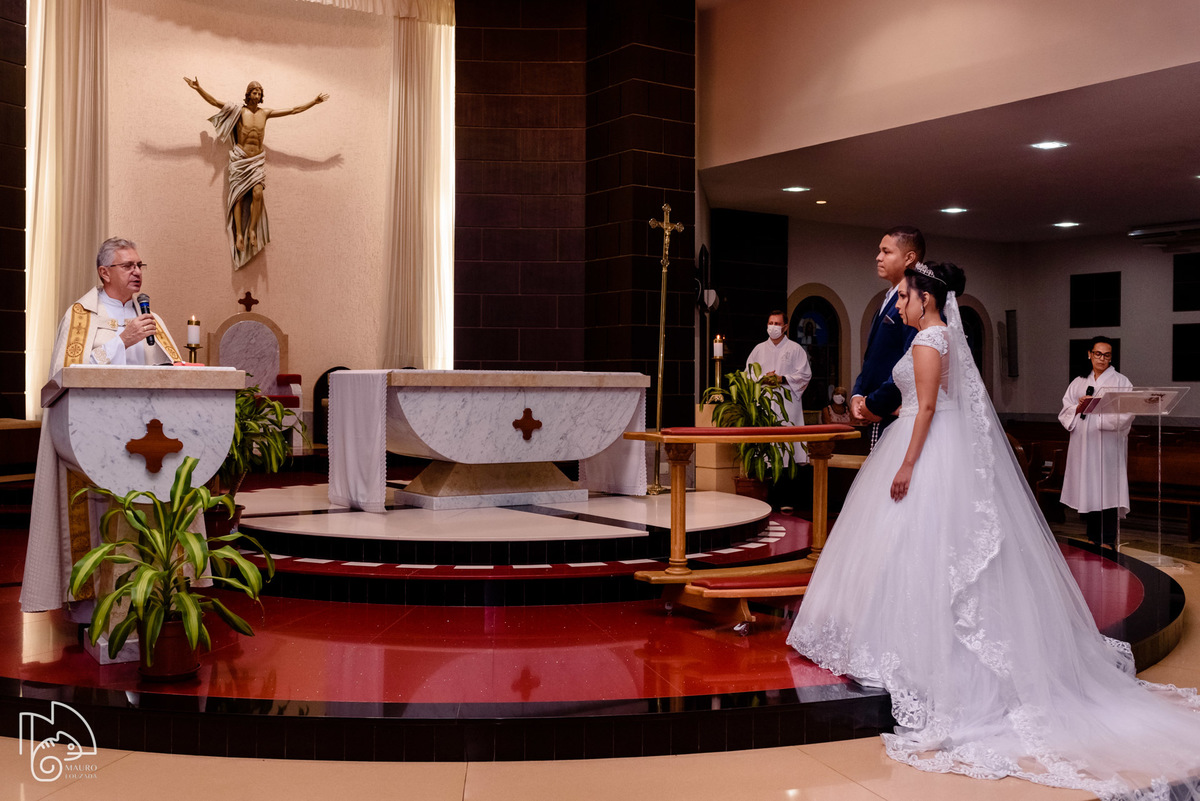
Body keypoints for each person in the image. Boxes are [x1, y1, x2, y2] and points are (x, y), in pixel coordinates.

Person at [788, 261, 1200, 799]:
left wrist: (908, 464)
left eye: (907, 297)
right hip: (940, 448)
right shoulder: (940, 338)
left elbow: (929, 407)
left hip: (927, 450)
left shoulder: (927, 342)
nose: (902, 305)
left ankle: (933, 663)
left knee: (926, 552)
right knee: (928, 553)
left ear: (927, 300)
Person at [21, 238, 183, 615]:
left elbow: (173, 374)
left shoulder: (151, 319)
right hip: (95, 439)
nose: (138, 272)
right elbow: (66, 376)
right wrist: (121, 342)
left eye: (140, 265)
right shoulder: (81, 317)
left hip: (148, 441)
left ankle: (158, 598)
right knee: (98, 518)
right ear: (104, 272)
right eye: (128, 266)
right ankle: (94, 608)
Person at [184, 77, 329, 269]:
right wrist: (198, 88)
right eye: (254, 91)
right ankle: (239, 235)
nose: (257, 94)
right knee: (238, 197)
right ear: (248, 94)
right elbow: (214, 102)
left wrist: (314, 102)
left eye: (259, 92)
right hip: (240, 158)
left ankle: (252, 229)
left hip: (256, 160)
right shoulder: (239, 111)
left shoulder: (266, 113)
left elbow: (293, 110)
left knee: (258, 193)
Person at [850, 226, 922, 448]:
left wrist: (875, 404)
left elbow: (910, 360)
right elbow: (873, 357)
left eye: (886, 251)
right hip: (876, 408)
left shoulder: (915, 301)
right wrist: (857, 394)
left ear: (909, 257)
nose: (878, 257)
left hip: (895, 412)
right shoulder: (888, 298)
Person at [1059, 336, 1133, 550]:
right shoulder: (1079, 382)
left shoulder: (1121, 382)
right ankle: (1092, 537)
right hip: (1084, 443)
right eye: (1098, 353)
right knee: (1089, 487)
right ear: (1089, 354)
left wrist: (1101, 417)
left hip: (1108, 444)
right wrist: (1078, 408)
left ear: (1111, 357)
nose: (1102, 358)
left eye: (1107, 355)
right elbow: (1065, 410)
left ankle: (1108, 540)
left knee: (1108, 489)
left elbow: (1127, 412)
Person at [745, 309, 812, 462]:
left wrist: (782, 378)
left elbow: (805, 375)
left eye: (777, 324)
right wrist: (763, 379)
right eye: (771, 323)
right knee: (765, 447)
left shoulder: (795, 349)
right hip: (765, 402)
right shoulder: (758, 349)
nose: (773, 327)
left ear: (785, 327)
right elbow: (748, 374)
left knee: (787, 443)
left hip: (787, 404)